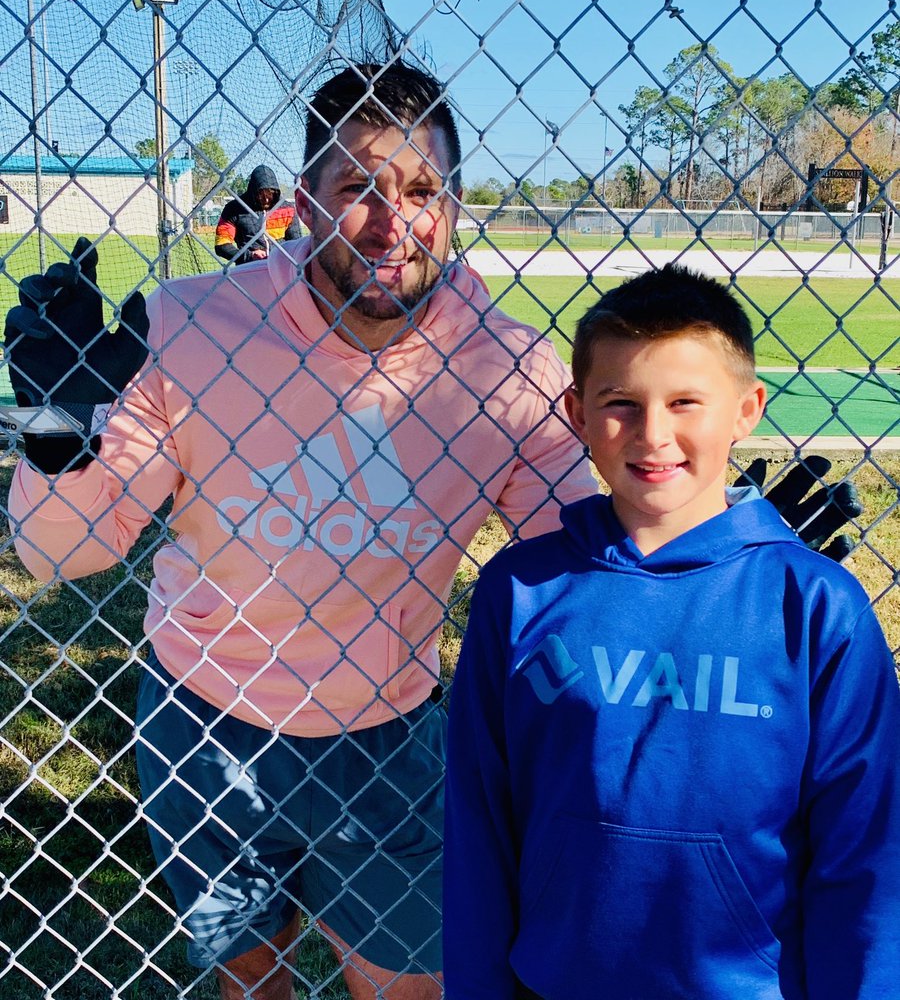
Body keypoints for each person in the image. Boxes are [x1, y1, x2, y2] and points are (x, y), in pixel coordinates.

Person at [4, 62, 599, 1000]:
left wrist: (730, 546)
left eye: (421, 190)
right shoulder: (192, 325)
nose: (391, 220)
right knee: (253, 981)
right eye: (358, 185)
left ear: (452, 207)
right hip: (200, 719)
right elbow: (63, 551)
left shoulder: (507, 367)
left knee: (410, 987)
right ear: (305, 205)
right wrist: (59, 437)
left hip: (388, 729)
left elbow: (581, 553)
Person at [443, 263, 900, 1000]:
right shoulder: (520, 590)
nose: (653, 434)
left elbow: (867, 856)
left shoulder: (814, 606)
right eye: (620, 402)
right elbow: (478, 826)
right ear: (577, 412)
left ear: (747, 409)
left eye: (686, 402)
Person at [214, 164, 301, 264]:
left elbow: (296, 243)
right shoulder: (234, 209)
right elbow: (221, 244)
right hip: (249, 269)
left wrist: (279, 256)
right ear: (253, 192)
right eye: (261, 195)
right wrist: (249, 256)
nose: (266, 199)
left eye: (270, 194)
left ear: (276, 192)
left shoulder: (287, 209)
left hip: (279, 267)